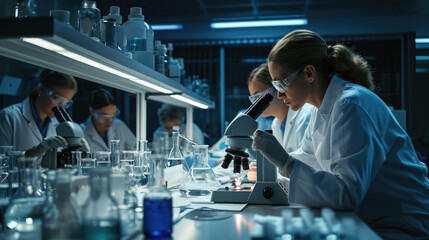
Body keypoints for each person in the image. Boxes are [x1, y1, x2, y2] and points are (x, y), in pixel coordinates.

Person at [252, 29, 429, 239]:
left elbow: (346, 194)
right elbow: (308, 159)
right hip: (368, 217)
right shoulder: (322, 108)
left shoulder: (351, 104)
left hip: (400, 224)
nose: (279, 94)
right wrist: (270, 170)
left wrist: (285, 164)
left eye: (282, 83)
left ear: (309, 73)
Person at [0, 69, 89, 159]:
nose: (61, 106)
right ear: (41, 90)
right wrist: (33, 153)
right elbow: (2, 162)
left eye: (66, 103)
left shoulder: (58, 124)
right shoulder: (9, 117)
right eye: (57, 98)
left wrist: (81, 153)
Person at [248, 63, 313, 153]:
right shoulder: (277, 125)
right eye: (253, 98)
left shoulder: (306, 116)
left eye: (258, 96)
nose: (256, 103)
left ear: (277, 87)